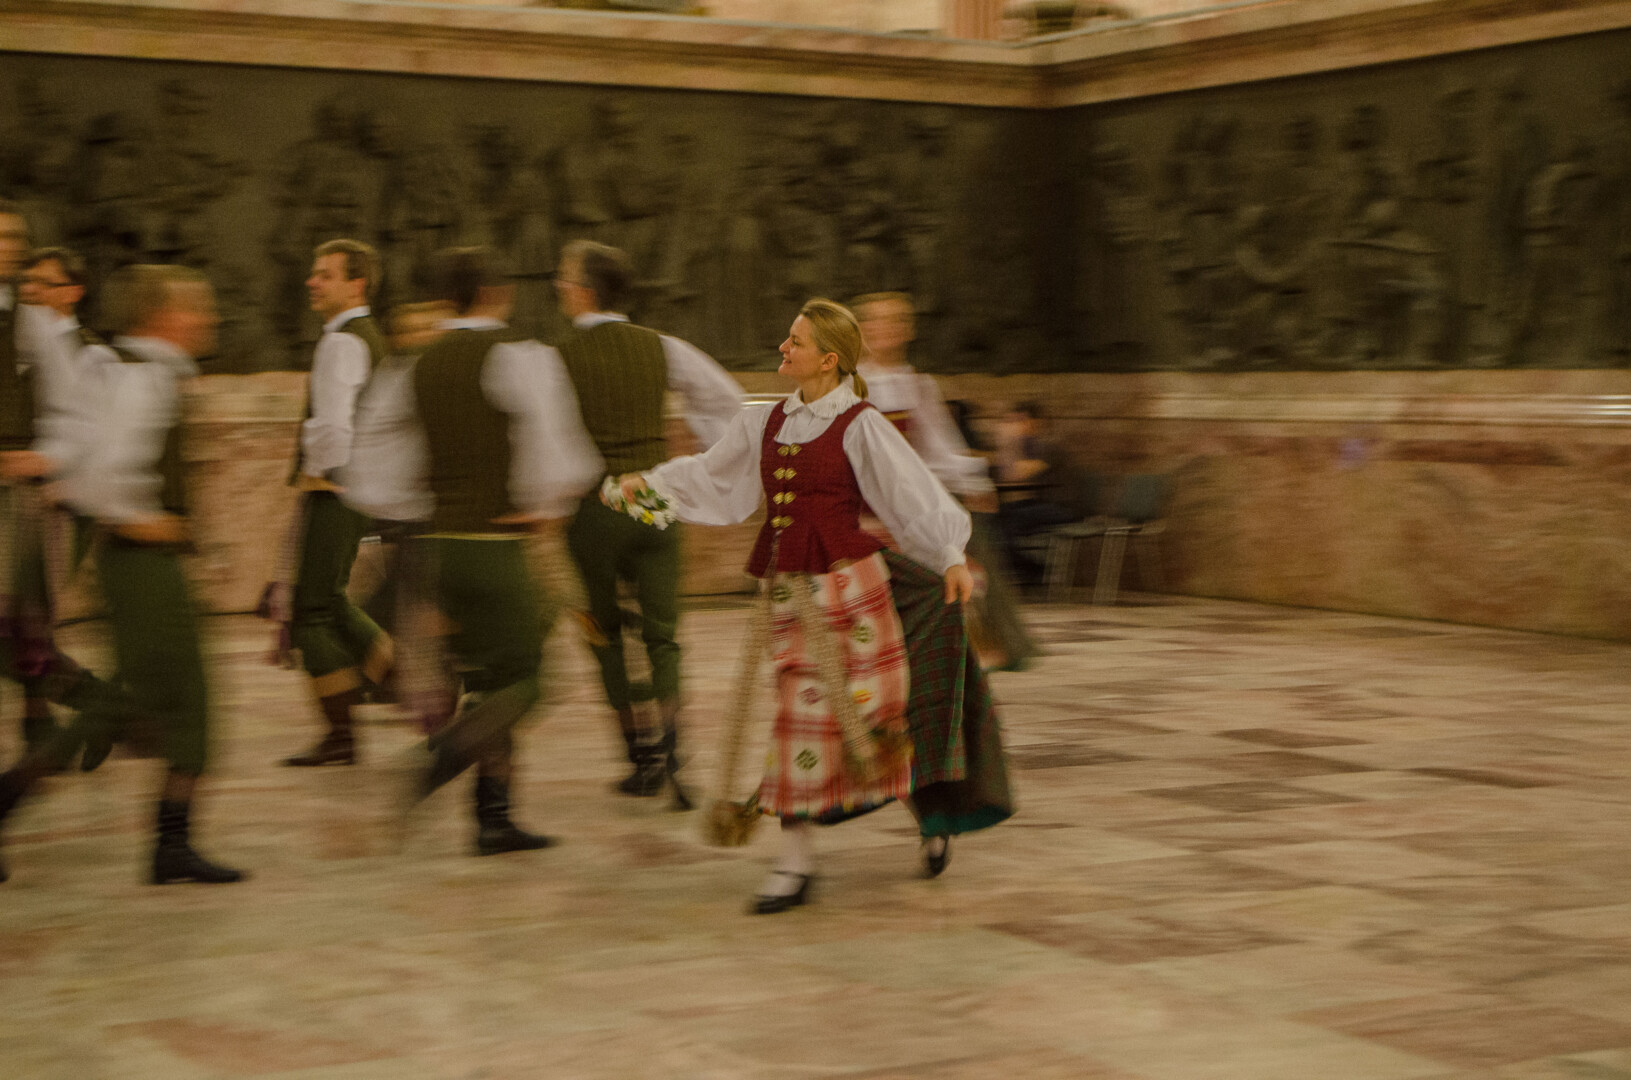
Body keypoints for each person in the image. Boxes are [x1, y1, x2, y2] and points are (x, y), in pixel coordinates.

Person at [615, 298, 1012, 914]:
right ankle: (794, 862)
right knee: (799, 720)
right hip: (789, 596)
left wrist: (950, 554)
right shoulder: (762, 421)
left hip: (854, 595)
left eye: (795, 341)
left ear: (828, 360)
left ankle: (927, 814)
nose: (784, 346)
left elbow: (908, 490)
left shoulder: (860, 424)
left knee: (871, 725)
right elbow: (716, 476)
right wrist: (654, 484)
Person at [345, 247, 603, 855]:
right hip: (494, 547)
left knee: (488, 682)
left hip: (436, 548)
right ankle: (442, 753)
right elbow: (561, 454)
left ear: (445, 299)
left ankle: (494, 817)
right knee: (531, 680)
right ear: (495, 293)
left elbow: (370, 472)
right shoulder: (520, 359)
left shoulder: (412, 367)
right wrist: (540, 506)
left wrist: (424, 505)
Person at [0, 264, 246, 885]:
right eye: (195, 307)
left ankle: (172, 844)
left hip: (144, 565)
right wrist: (149, 524)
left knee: (171, 703)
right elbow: (102, 475)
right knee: (142, 704)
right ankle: (12, 801)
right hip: (141, 566)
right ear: (161, 316)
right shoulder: (142, 376)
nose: (208, 318)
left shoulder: (140, 370)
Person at [553, 239, 742, 801]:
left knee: (603, 632)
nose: (559, 286)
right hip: (654, 500)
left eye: (565, 278)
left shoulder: (556, 358)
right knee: (663, 635)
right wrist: (703, 466)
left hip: (594, 506)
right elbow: (728, 405)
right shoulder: (664, 348)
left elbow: (545, 440)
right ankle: (676, 752)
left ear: (585, 290)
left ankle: (640, 757)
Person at [854, 292, 1037, 671]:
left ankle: (987, 641)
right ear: (862, 328)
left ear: (908, 329)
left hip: (910, 491)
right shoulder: (849, 383)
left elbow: (939, 445)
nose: (885, 328)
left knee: (968, 536)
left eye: (894, 320)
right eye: (875, 320)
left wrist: (974, 482)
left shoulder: (917, 386)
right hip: (867, 494)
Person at [0, 216, 117, 765]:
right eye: (30, 281)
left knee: (27, 621)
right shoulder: (24, 329)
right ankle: (49, 720)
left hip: (56, 497)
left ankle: (96, 711)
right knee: (25, 623)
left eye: (44, 283)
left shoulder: (86, 351)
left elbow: (93, 432)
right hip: (26, 493)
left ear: (73, 291)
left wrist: (48, 467)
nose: (33, 290)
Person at [278, 239, 393, 768]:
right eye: (314, 272)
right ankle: (404, 679)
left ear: (356, 283)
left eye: (325, 274)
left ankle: (342, 735)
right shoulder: (363, 336)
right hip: (353, 487)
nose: (312, 282)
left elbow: (334, 424)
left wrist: (317, 474)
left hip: (335, 488)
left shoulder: (343, 342)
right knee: (331, 600)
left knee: (312, 612)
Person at [992, 400, 1083, 588]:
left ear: (1036, 422)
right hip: (1039, 505)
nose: (1015, 426)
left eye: (1020, 420)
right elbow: (1007, 476)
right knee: (996, 518)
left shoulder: (1049, 447)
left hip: (1063, 508)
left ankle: (1034, 571)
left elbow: (1018, 474)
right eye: (1013, 421)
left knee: (1009, 520)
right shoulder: (1027, 448)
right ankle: (1031, 570)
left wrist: (1007, 443)